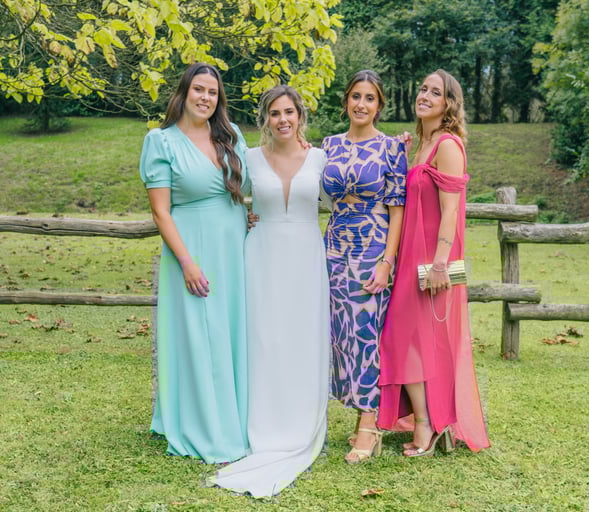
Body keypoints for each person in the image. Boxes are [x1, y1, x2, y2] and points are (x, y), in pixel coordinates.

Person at [209, 85, 329, 496]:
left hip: (307, 257)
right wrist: (241, 218)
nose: (283, 120)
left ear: (300, 116)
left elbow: (347, 197)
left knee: (302, 339)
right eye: (275, 113)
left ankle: (300, 421)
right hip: (261, 256)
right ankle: (263, 423)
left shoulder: (320, 158)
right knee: (264, 339)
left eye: (289, 112)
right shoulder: (250, 158)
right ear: (265, 120)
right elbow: (224, 196)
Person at [139, 62, 250, 464]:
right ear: (184, 93)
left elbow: (250, 185)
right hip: (191, 249)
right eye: (199, 89)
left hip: (232, 248)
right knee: (202, 333)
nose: (206, 97)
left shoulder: (230, 135)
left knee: (229, 331)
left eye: (213, 92)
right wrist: (186, 262)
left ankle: (236, 417)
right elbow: (160, 212)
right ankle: (204, 425)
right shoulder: (161, 142)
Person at [377, 69, 490, 456]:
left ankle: (426, 424)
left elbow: (450, 210)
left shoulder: (448, 145)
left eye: (435, 92)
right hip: (411, 254)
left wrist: (441, 263)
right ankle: (426, 418)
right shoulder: (422, 145)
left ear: (449, 103)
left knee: (408, 339)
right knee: (408, 340)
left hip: (431, 260)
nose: (424, 95)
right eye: (423, 88)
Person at [321, 70, 407, 464]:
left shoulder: (391, 147)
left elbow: (396, 206)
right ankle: (354, 414)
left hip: (372, 249)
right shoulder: (328, 145)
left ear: (379, 105)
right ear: (346, 101)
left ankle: (369, 426)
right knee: (341, 335)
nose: (361, 104)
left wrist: (387, 261)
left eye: (369, 98)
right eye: (356, 96)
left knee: (366, 335)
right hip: (332, 250)